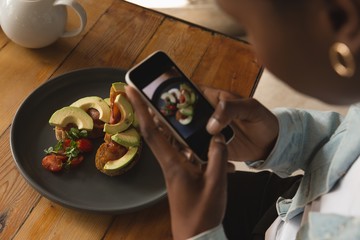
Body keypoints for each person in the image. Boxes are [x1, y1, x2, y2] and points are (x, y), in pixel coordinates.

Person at [125, 0, 360, 239]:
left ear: (338, 18)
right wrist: (280, 140)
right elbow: (347, 144)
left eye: (248, 28)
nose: (255, 55)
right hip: (290, 202)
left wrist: (196, 234)